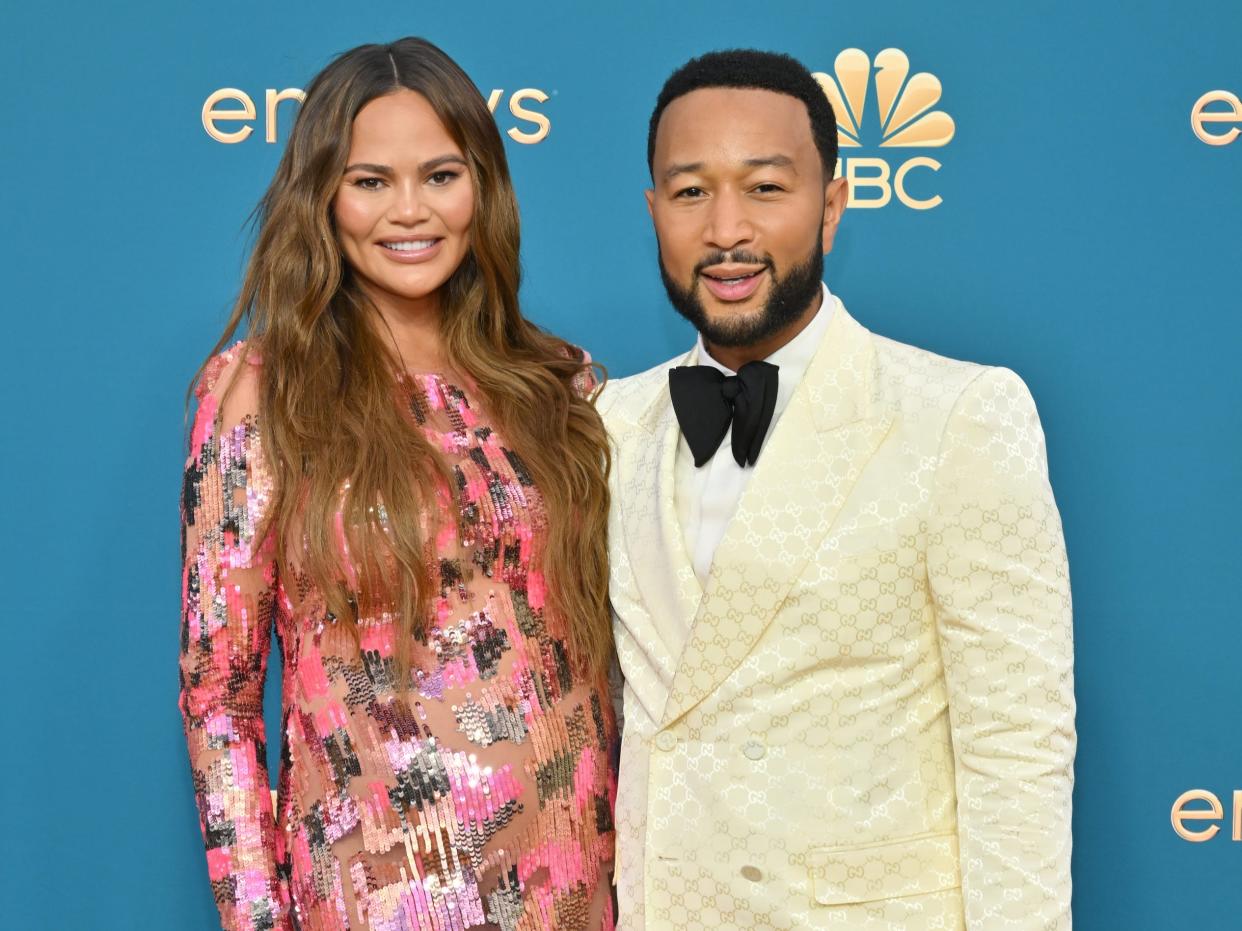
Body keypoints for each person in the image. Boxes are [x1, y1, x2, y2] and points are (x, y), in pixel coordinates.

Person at [599, 49, 1075, 930]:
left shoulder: (959, 415)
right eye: (691, 191)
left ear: (833, 204)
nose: (727, 230)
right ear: (654, 211)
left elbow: (1018, 744)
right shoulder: (609, 424)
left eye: (766, 188)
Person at [179, 37, 617, 931]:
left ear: (483, 189)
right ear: (323, 198)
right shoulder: (263, 390)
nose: (409, 210)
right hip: (381, 900)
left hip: (576, 888)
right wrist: (257, 919)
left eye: (441, 175)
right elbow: (217, 694)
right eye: (370, 180)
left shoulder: (557, 381)